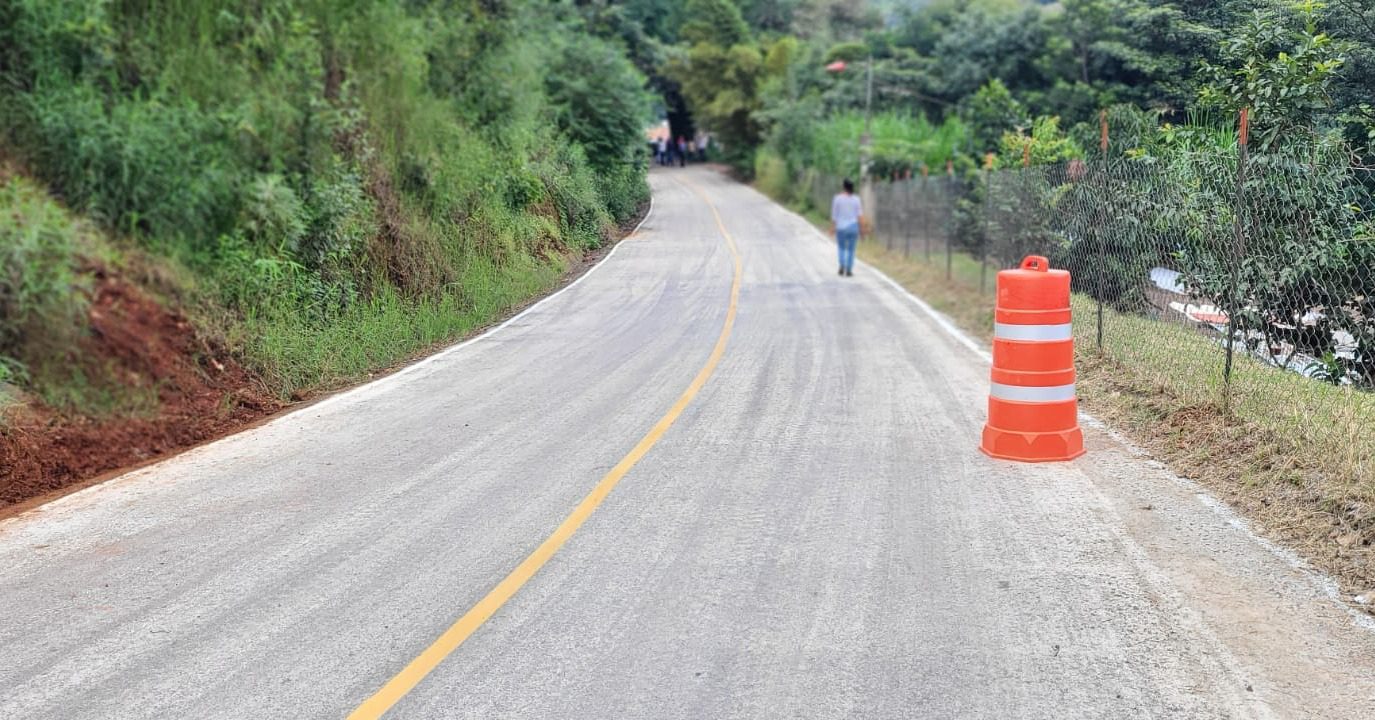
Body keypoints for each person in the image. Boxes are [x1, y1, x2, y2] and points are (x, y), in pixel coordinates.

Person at [830, 178, 863, 277]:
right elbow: (859, 215)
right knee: (851, 250)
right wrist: (862, 229)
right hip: (853, 227)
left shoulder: (837, 198)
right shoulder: (856, 199)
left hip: (841, 227)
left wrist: (832, 227)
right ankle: (849, 270)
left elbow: (834, 215)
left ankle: (842, 265)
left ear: (843, 186)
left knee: (841, 248)